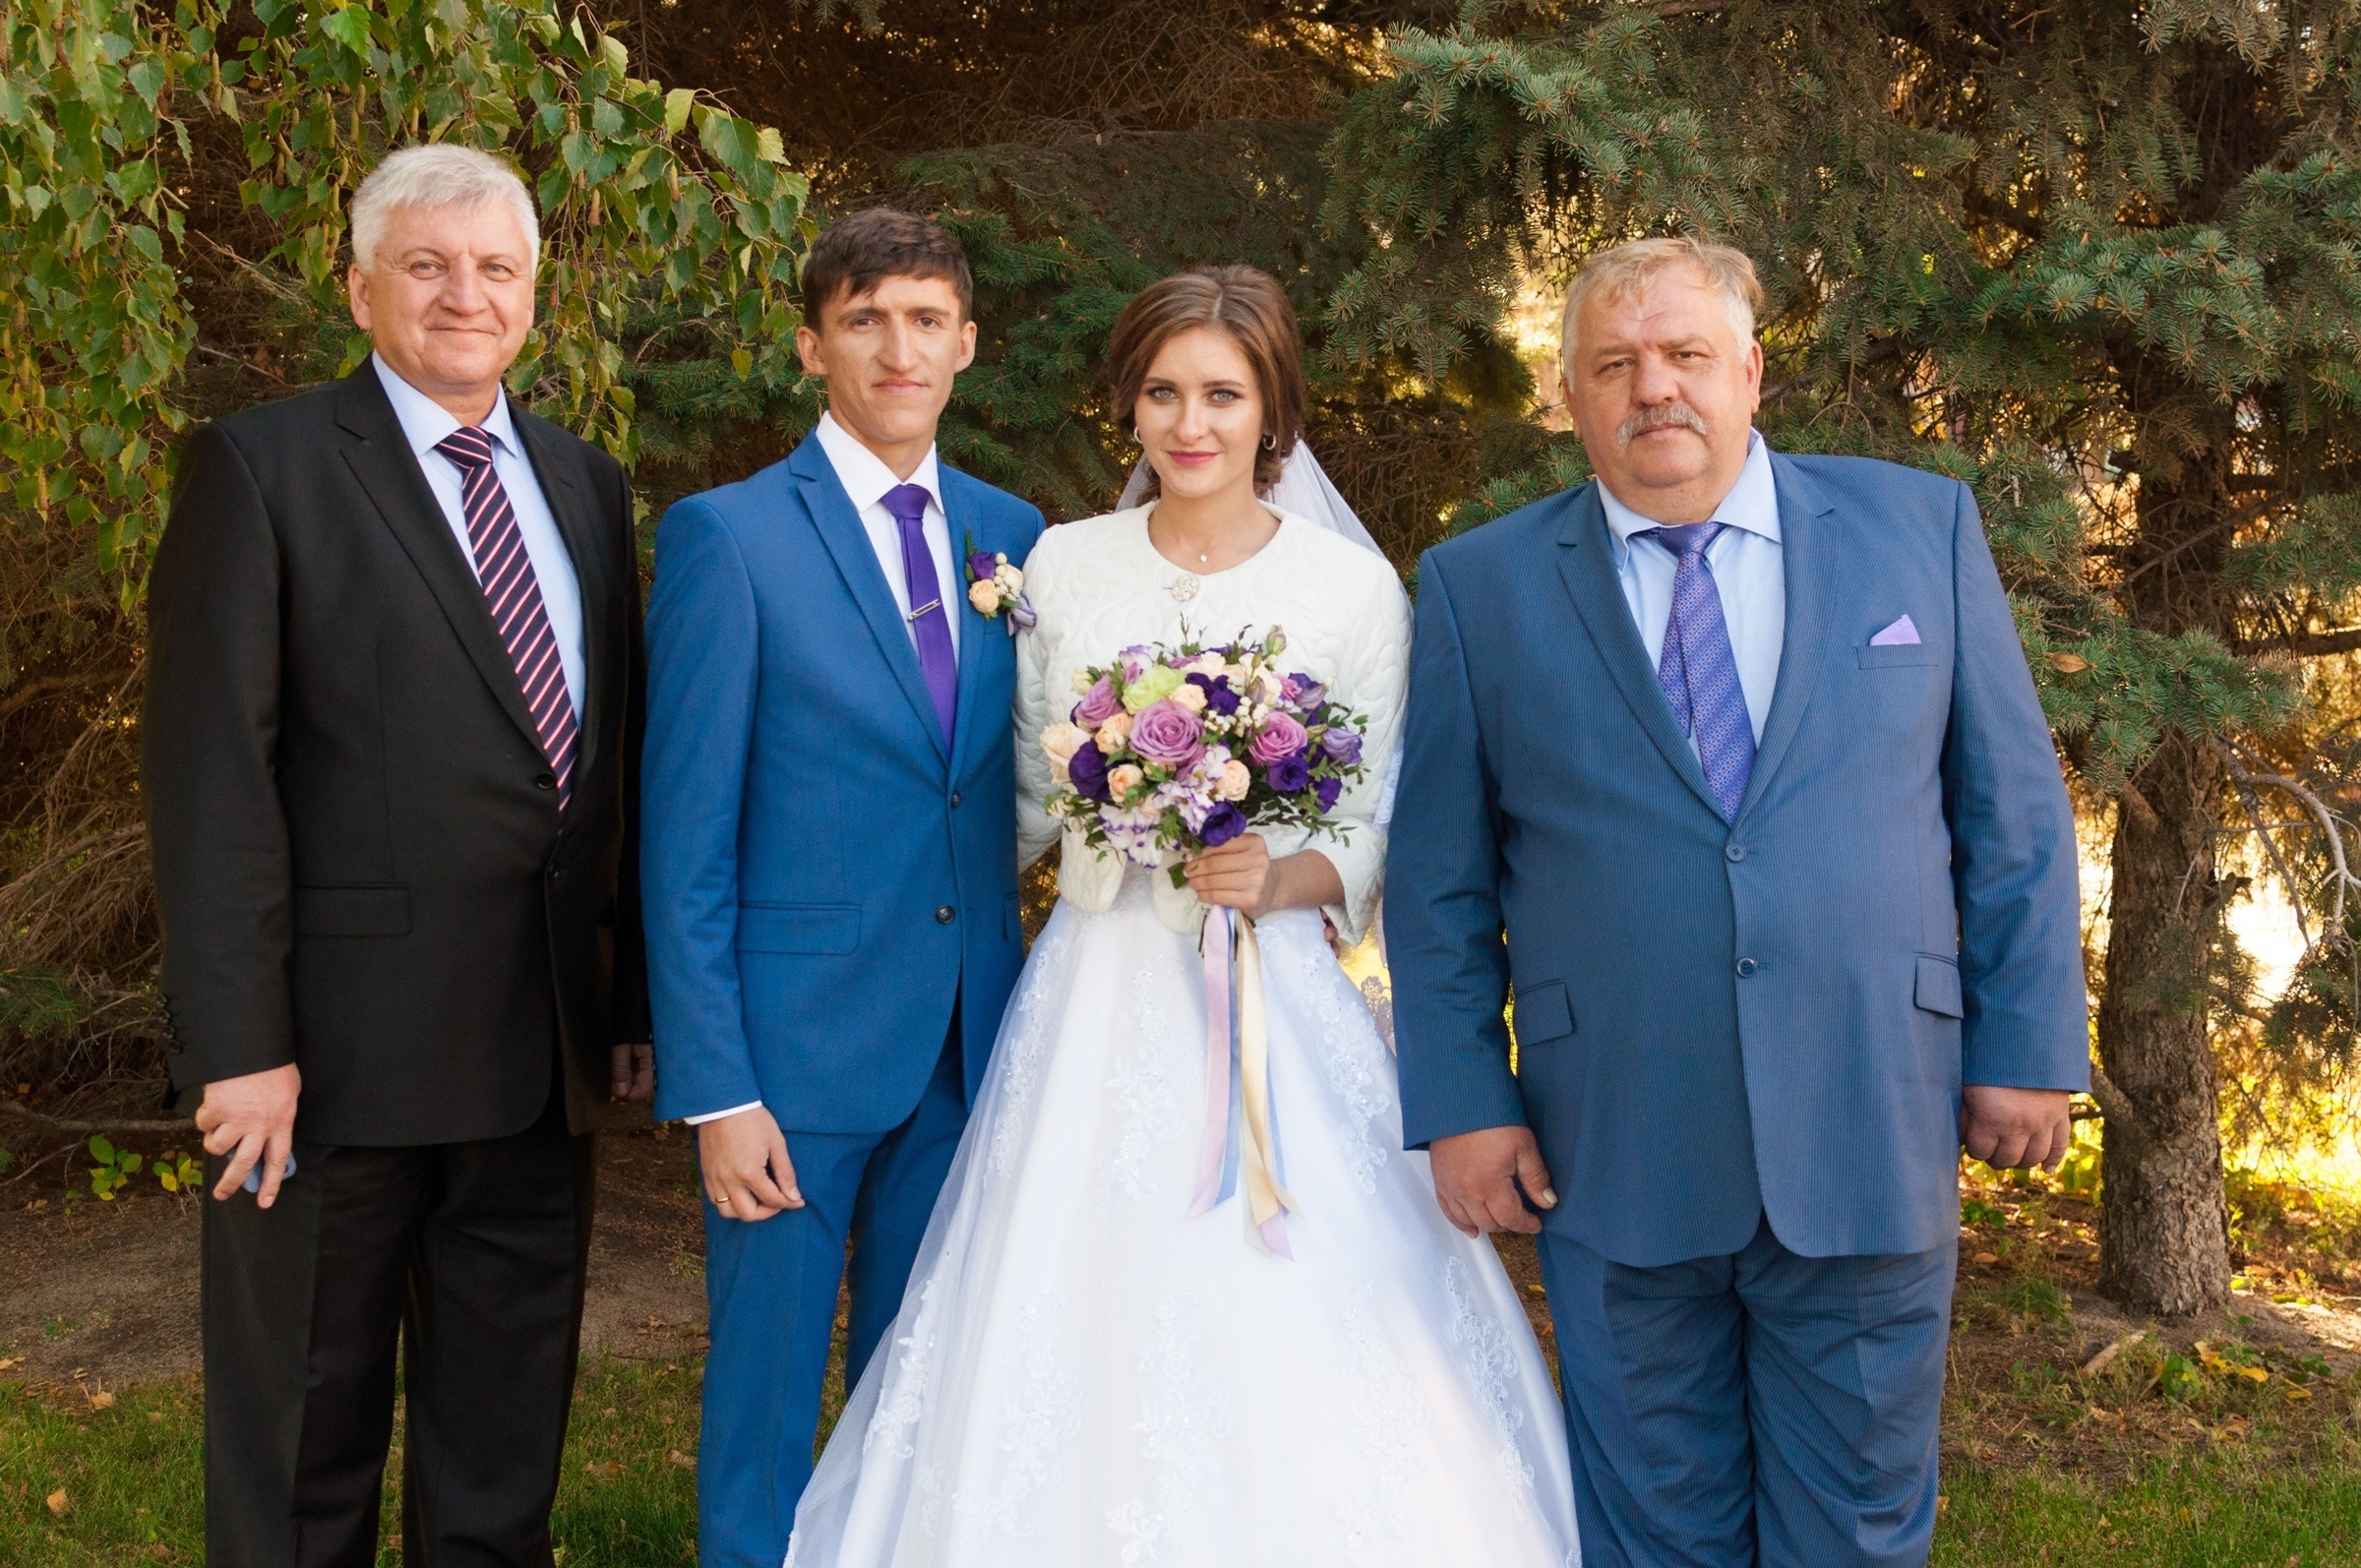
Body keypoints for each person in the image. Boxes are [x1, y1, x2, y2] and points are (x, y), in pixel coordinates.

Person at [785, 266, 1579, 1567]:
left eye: (1222, 392)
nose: (1189, 421)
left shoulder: (1349, 589)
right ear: (1131, 405)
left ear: (1273, 409)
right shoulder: (1063, 564)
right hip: (1096, 981)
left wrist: (1279, 872)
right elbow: (1025, 794)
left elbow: (1379, 824)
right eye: (1163, 391)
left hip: (1276, 998)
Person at [1385, 236, 2089, 1568]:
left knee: (1860, 1526)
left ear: (1750, 371)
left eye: (1686, 356)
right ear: (1573, 397)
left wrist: (2027, 1047)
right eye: (1615, 365)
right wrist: (1466, 1099)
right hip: (1617, 1140)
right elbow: (1438, 877)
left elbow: (2013, 815)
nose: (1656, 389)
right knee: (1657, 1526)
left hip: (1869, 1117)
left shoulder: (1917, 528)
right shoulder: (1480, 587)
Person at [143, 143, 652, 1567]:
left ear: (534, 300)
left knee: (501, 1458)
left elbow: (604, 769)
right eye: (427, 265)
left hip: (533, 1062)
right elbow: (208, 778)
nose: (464, 295)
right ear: (361, 286)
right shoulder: (262, 468)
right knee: (304, 1450)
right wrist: (239, 1042)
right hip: (325, 1072)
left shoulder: (585, 484)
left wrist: (626, 1012)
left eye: (496, 269)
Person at [639, 209, 1046, 1568]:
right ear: (814, 345)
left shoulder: (1013, 538)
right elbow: (683, 836)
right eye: (866, 318)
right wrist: (717, 1083)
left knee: (916, 1382)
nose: (899, 345)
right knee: (762, 1397)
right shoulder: (730, 538)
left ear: (967, 344)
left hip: (966, 1037)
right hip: (789, 1059)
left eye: (927, 318)